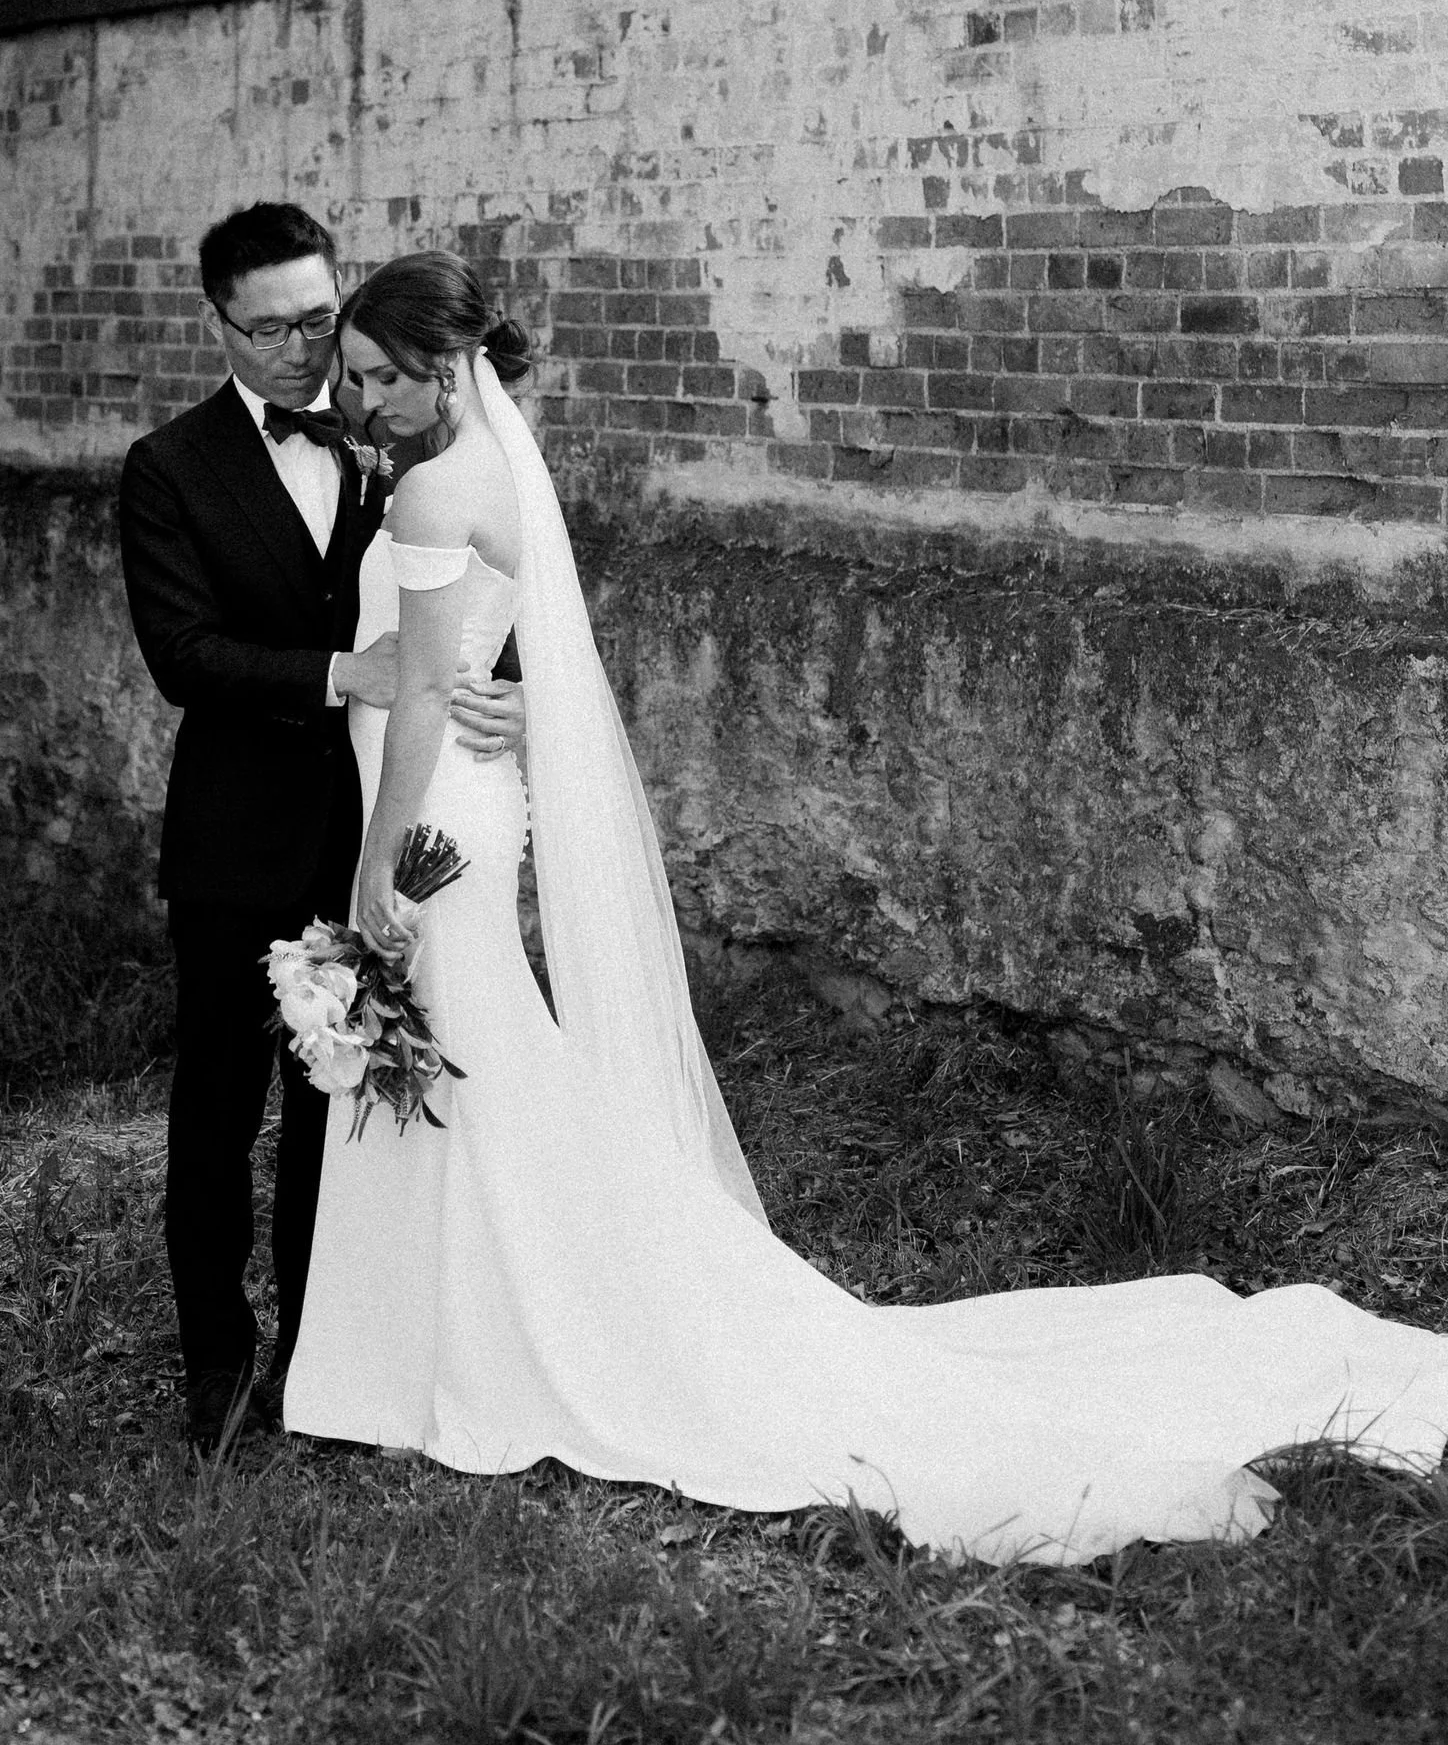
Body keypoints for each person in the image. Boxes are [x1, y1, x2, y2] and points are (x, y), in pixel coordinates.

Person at [284, 250, 1448, 1563]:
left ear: (445, 372)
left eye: (386, 376)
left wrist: (377, 870)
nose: (365, 397)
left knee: (469, 1067)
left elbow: (432, 695)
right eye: (357, 378)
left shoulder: (441, 482)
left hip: (435, 819)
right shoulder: (469, 466)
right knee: (469, 1069)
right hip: (468, 802)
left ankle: (490, 1352)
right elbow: (485, 654)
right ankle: (460, 1345)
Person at [117, 204, 520, 1452]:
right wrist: (347, 673)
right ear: (216, 324)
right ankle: (216, 1366)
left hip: (372, 831)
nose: (304, 350)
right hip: (239, 838)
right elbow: (184, 656)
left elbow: (500, 586)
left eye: (316, 316)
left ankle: (318, 1354)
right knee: (218, 1110)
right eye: (272, 328)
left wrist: (512, 698)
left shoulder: (394, 432)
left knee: (336, 1120)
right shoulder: (168, 467)